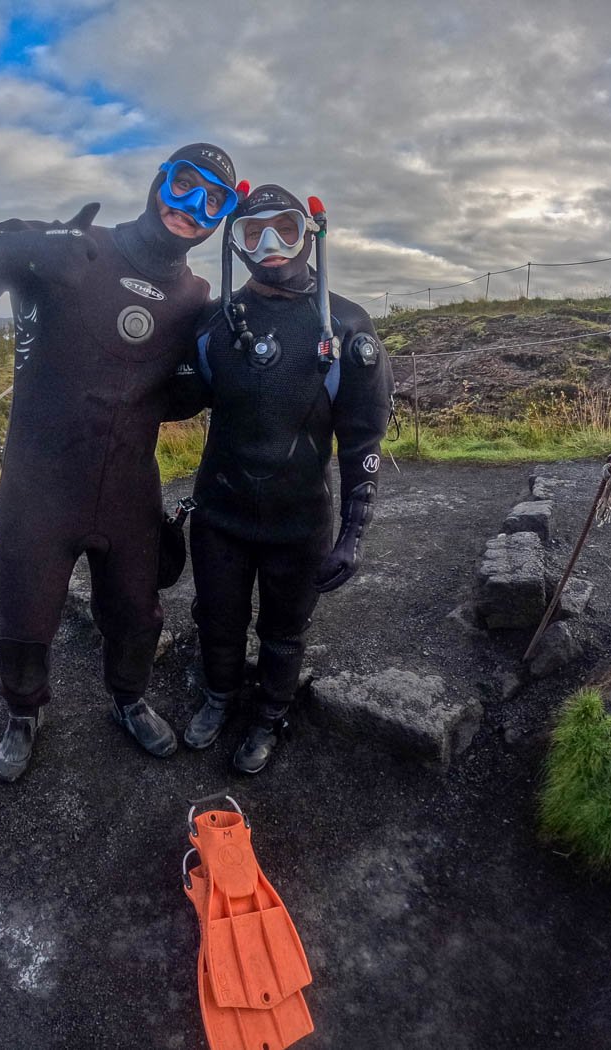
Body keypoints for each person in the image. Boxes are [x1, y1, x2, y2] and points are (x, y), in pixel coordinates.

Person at [0, 143, 239, 782]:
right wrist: (25, 248)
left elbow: (170, 394)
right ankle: (23, 713)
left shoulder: (195, 296)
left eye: (214, 201)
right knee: (26, 605)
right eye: (184, 185)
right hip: (40, 483)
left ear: (221, 217)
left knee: (136, 609)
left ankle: (128, 700)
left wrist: (216, 376)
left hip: (128, 485)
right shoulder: (77, 244)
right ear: (159, 183)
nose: (192, 208)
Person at [182, 184, 395, 774]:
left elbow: (361, 438)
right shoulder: (213, 326)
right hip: (219, 514)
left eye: (286, 229)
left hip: (298, 517)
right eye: (253, 233)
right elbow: (169, 395)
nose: (271, 245)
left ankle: (271, 714)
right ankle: (219, 696)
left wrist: (354, 528)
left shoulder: (346, 325)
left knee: (284, 629)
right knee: (216, 617)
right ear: (236, 244)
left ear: (311, 234)